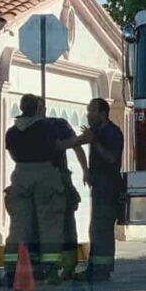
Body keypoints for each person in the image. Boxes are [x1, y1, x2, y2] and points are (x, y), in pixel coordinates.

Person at [3, 94, 66, 287]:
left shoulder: (12, 131)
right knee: (49, 224)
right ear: (39, 108)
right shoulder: (47, 127)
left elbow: (12, 153)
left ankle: (11, 270)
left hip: (20, 175)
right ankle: (51, 269)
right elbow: (58, 147)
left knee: (19, 226)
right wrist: (82, 140)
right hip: (45, 174)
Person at [62, 98, 124, 282]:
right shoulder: (95, 132)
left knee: (102, 229)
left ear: (103, 113)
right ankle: (94, 268)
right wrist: (58, 145)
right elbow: (77, 141)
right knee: (96, 229)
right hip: (98, 185)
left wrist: (94, 142)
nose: (88, 115)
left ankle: (101, 270)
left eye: (92, 111)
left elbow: (112, 158)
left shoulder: (112, 132)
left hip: (109, 186)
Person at [37, 99, 88, 280]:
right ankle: (54, 267)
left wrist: (85, 170)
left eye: (39, 108)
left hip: (56, 181)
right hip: (45, 183)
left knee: (64, 224)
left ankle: (65, 267)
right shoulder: (31, 129)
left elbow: (77, 148)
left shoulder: (57, 125)